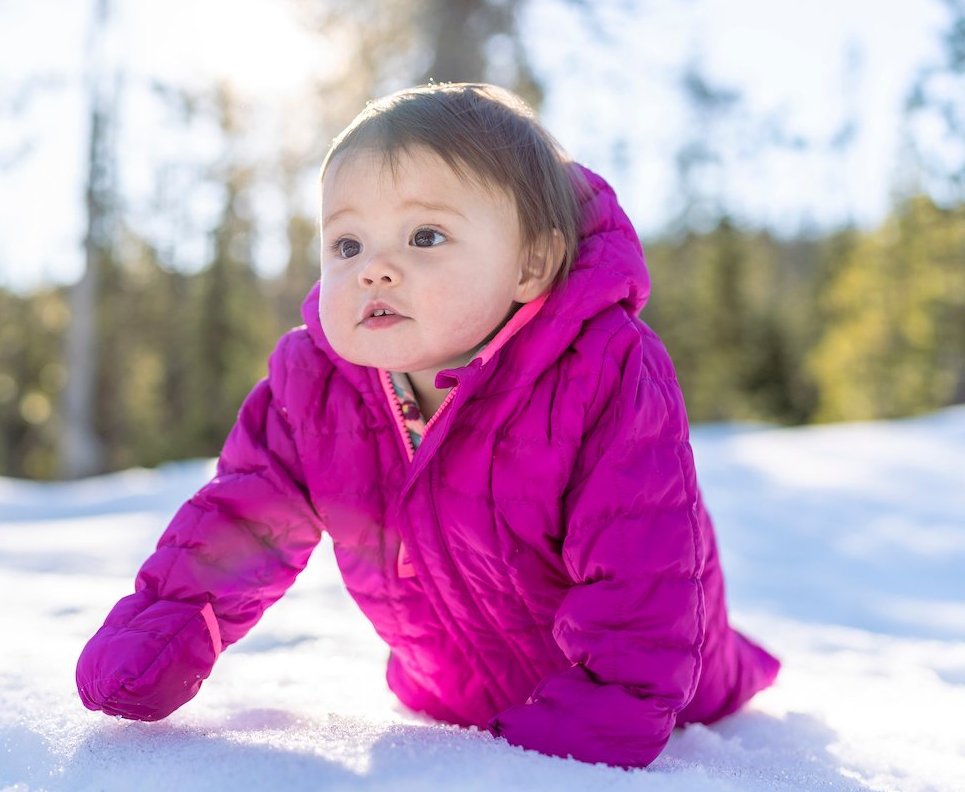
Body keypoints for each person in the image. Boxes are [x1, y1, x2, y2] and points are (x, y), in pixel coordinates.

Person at [75, 83, 779, 769]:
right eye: (347, 244)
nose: (375, 269)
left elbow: (643, 560)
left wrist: (605, 709)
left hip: (663, 687)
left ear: (530, 263)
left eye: (426, 235)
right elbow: (243, 520)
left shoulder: (600, 366)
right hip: (450, 694)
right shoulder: (314, 384)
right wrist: (161, 633)